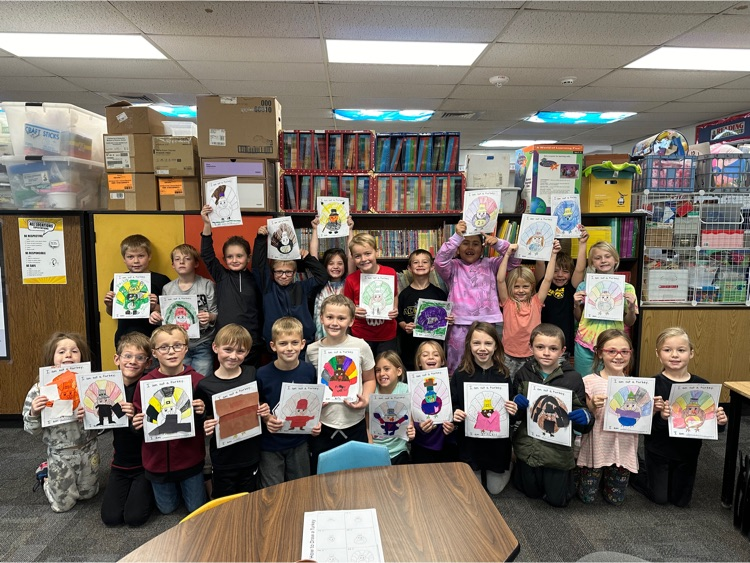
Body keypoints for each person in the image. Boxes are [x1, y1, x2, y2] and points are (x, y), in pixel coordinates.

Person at [632, 327, 728, 507]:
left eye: (681, 350)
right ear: (658, 354)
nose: (674, 355)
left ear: (691, 353)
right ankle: (635, 470)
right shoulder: (652, 386)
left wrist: (720, 422)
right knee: (660, 498)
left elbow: (710, 426)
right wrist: (661, 417)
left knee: (681, 501)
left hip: (688, 453)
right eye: (667, 350)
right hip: (659, 450)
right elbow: (644, 428)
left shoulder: (703, 386)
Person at [512, 323, 594, 507]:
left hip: (557, 451)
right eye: (540, 347)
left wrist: (585, 417)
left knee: (558, 501)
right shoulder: (523, 374)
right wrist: (515, 404)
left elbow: (583, 421)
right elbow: (514, 416)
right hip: (528, 447)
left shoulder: (573, 378)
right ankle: (521, 471)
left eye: (553, 348)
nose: (546, 353)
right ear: (531, 347)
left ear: (563, 351)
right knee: (530, 493)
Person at [132, 325, 207, 514]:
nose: (171, 351)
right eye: (164, 347)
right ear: (154, 352)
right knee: (167, 509)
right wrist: (137, 424)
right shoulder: (145, 383)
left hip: (189, 460)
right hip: (157, 462)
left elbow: (206, 424)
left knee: (196, 509)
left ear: (186, 348)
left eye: (177, 345)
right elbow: (140, 420)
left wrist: (201, 413)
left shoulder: (198, 381)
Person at [22, 332, 99, 513]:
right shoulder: (40, 390)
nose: (68, 355)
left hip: (88, 448)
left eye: (74, 351)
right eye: (61, 352)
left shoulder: (90, 384)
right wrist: (34, 412)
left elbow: (103, 424)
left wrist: (91, 414)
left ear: (82, 357)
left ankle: (64, 479)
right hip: (60, 452)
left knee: (89, 494)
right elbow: (31, 429)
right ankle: (46, 477)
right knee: (63, 505)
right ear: (52, 358)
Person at [435, 219, 520, 375]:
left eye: (475, 244)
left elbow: (515, 260)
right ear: (458, 248)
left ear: (482, 248)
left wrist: (498, 243)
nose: (470, 247)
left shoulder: (492, 264)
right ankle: (457, 387)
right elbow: (440, 261)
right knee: (457, 365)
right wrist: (456, 237)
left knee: (486, 363)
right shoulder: (453, 266)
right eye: (465, 243)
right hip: (459, 324)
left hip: (486, 323)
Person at [196, 324, 270, 498]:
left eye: (240, 351)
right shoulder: (205, 385)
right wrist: (206, 425)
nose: (233, 356)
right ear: (215, 347)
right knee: (224, 500)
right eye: (228, 349)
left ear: (247, 352)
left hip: (250, 453)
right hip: (223, 457)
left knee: (248, 497)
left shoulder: (252, 373)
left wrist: (264, 409)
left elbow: (261, 402)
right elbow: (204, 419)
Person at [305, 294, 376, 473]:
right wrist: (314, 403)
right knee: (322, 476)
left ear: (351, 321)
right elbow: (310, 384)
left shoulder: (361, 346)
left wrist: (366, 399)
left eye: (341, 318)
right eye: (330, 317)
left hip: (355, 423)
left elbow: (369, 379)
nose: (334, 323)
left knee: (357, 475)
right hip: (323, 425)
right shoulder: (312, 350)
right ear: (321, 318)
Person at [451, 322, 517, 494]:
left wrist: (512, 409)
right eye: (476, 343)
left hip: (497, 445)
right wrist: (455, 412)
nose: (482, 348)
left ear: (496, 346)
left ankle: (508, 461)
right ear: (469, 345)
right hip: (470, 444)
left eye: (488, 343)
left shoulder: (503, 374)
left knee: (494, 490)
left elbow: (511, 410)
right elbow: (453, 403)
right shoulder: (460, 374)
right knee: (475, 489)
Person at [257, 317, 321, 488]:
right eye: (283, 343)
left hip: (299, 442)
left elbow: (313, 402)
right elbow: (258, 405)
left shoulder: (309, 370)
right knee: (272, 492)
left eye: (294, 343)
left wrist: (315, 424)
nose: (289, 348)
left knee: (300, 488)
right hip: (270, 444)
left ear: (303, 344)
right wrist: (266, 418)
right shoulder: (262, 374)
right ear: (273, 346)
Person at [576, 329, 639, 505]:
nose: (618, 356)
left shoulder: (636, 385)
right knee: (586, 497)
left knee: (615, 500)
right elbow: (584, 413)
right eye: (611, 351)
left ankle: (610, 478)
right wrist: (592, 405)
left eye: (624, 351)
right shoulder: (588, 381)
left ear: (630, 353)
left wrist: (654, 409)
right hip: (597, 444)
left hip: (622, 446)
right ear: (599, 353)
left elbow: (642, 417)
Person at [200, 204, 264, 367]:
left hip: (251, 343)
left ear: (248, 258)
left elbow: (261, 262)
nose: (234, 260)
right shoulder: (222, 276)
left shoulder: (256, 278)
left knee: (249, 378)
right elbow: (207, 255)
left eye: (239, 256)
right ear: (224, 259)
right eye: (230, 257)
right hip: (225, 342)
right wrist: (207, 224)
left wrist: (260, 238)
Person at [101, 332, 154, 526]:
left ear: (148, 363)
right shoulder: (109, 388)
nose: (132, 361)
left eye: (140, 358)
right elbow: (100, 425)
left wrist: (135, 415)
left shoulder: (148, 387)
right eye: (128, 356)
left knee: (134, 518)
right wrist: (87, 415)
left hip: (145, 465)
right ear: (117, 359)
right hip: (120, 464)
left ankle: (151, 491)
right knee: (110, 518)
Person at [253, 224, 327, 351]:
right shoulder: (268, 288)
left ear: (294, 273)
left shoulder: (302, 288)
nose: (283, 276)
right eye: (279, 272)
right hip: (276, 345)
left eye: (288, 272)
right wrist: (260, 240)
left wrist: (307, 258)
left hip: (302, 345)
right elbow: (258, 267)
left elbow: (322, 277)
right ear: (273, 272)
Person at [150, 243, 217, 377]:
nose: (182, 262)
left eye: (187, 259)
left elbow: (216, 313)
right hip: (176, 345)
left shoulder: (207, 285)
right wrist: (156, 317)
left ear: (196, 263)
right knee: (179, 378)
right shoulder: (168, 288)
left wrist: (209, 316)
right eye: (177, 259)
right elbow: (166, 318)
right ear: (173, 265)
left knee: (201, 379)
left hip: (203, 342)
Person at [573, 241, 638, 373]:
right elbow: (579, 318)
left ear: (616, 260)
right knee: (583, 381)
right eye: (597, 258)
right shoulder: (584, 286)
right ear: (592, 263)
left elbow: (629, 322)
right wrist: (576, 305)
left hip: (614, 345)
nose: (603, 260)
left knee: (610, 382)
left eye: (607, 256)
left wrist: (631, 308)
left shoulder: (627, 288)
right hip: (586, 343)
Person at [498, 240, 559, 380]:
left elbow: (548, 279)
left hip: (532, 355)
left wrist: (553, 254)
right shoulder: (507, 302)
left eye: (525, 286)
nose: (521, 290)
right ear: (510, 287)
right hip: (508, 355)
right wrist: (506, 255)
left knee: (530, 386)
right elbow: (500, 280)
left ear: (532, 286)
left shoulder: (536, 302)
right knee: (509, 385)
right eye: (516, 287)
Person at [104, 234, 171, 347]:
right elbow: (112, 313)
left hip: (154, 336)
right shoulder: (118, 281)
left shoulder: (161, 280)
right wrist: (109, 305)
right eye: (130, 257)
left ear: (149, 256)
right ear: (124, 259)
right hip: (124, 336)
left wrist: (155, 307)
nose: (136, 261)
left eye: (141, 256)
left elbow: (171, 311)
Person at [534, 227, 588, 364]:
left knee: (558, 373)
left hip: (562, 344)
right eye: (555, 271)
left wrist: (582, 244)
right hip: (541, 341)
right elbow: (540, 263)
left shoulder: (571, 288)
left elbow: (580, 268)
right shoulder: (544, 284)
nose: (560, 275)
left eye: (565, 271)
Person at [343, 233, 399, 357]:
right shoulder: (351, 280)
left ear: (376, 252)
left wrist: (394, 308)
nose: (363, 259)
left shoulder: (390, 273)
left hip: (387, 333)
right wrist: (353, 310)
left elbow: (394, 294)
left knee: (386, 366)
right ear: (352, 258)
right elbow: (347, 306)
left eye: (368, 253)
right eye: (358, 256)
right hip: (361, 335)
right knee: (364, 367)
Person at [397, 249, 448, 371]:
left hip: (433, 349)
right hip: (410, 347)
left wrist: (448, 319)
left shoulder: (439, 294)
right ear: (409, 268)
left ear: (432, 267)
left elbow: (445, 318)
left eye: (425, 262)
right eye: (416, 262)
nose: (420, 265)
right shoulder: (404, 295)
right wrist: (405, 326)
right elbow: (399, 318)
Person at [409, 340, 457, 464]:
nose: (431, 357)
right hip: (422, 444)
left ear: (442, 361)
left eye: (436, 354)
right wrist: (418, 427)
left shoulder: (451, 385)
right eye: (425, 355)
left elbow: (457, 410)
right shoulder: (410, 386)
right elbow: (408, 415)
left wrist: (453, 426)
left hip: (446, 443)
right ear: (418, 362)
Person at [309, 215, 355, 341]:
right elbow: (313, 257)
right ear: (325, 266)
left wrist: (350, 230)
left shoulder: (348, 282)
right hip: (321, 336)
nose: (336, 267)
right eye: (331, 263)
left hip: (343, 335)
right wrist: (315, 229)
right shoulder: (319, 282)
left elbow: (351, 257)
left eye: (340, 263)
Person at [370, 351, 415, 465]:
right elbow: (367, 425)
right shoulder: (372, 391)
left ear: (399, 371)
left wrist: (411, 432)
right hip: (375, 450)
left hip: (399, 451)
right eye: (378, 370)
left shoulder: (406, 390)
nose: (382, 373)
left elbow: (409, 422)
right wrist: (370, 447)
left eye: (386, 369)